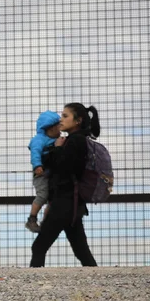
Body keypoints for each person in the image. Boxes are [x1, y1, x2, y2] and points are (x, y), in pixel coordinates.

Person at [30, 103, 100, 268]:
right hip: (71, 203)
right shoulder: (70, 140)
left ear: (78, 120)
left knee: (39, 246)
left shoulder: (77, 141)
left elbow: (65, 167)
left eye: (65, 116)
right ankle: (97, 282)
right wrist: (56, 149)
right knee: (81, 250)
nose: (60, 120)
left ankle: (32, 286)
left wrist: (57, 149)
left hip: (65, 203)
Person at [25, 110, 62, 233]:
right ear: (50, 128)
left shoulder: (56, 139)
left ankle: (46, 222)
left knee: (53, 199)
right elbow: (35, 153)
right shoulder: (39, 140)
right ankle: (32, 219)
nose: (61, 129)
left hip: (52, 173)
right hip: (41, 173)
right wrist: (37, 165)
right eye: (58, 127)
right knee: (43, 195)